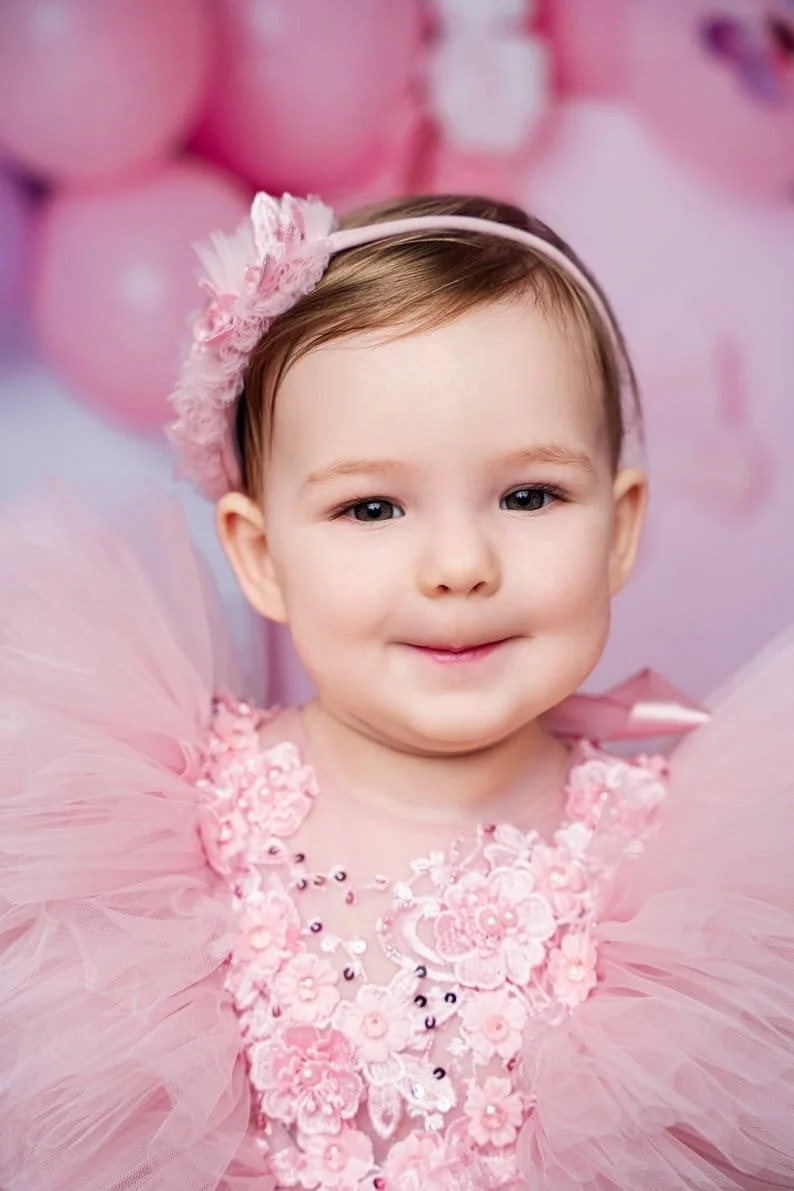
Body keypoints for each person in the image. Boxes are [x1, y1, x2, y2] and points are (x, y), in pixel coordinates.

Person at [0, 191, 792, 1191]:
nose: (457, 565)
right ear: (260, 555)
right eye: (371, 507)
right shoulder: (149, 827)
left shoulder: (683, 884)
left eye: (528, 495)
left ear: (618, 527)